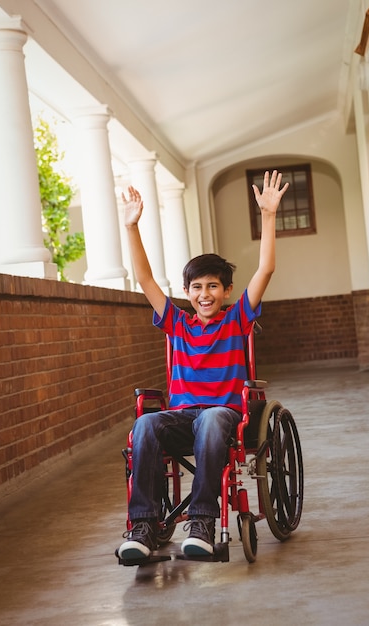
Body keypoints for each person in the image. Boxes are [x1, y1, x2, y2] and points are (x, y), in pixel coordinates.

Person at [118, 170, 289, 560]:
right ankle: (142, 526)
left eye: (213, 286)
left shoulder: (237, 319)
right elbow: (144, 278)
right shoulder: (177, 323)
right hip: (182, 418)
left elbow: (265, 270)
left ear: (226, 291)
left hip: (222, 419)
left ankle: (202, 522)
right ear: (187, 292)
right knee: (144, 423)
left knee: (212, 418)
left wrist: (268, 216)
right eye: (197, 287)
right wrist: (132, 226)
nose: (205, 293)